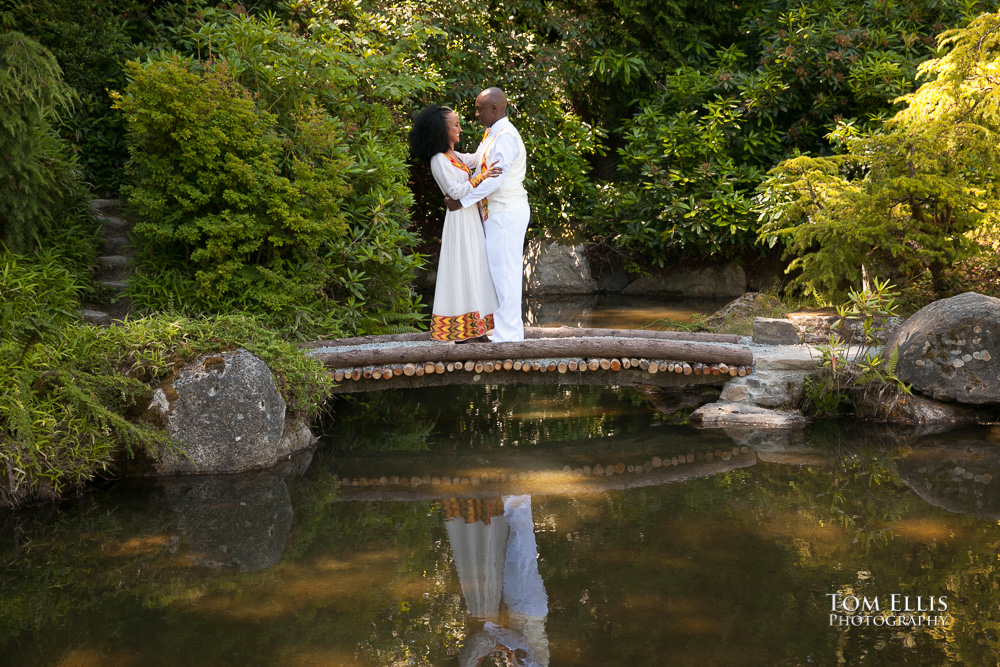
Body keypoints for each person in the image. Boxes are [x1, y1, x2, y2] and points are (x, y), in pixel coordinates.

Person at [409, 105, 501, 342]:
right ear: (442, 130)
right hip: (459, 220)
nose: (460, 129)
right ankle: (461, 330)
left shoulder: (455, 156)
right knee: (463, 269)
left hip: (470, 217)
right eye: (455, 125)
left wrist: (490, 135)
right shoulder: (438, 160)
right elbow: (455, 191)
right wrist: (481, 177)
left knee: (476, 266)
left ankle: (478, 327)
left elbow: (476, 158)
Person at [445, 87, 530, 343]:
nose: (475, 114)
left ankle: (510, 337)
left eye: (479, 109)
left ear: (495, 109)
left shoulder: (504, 136)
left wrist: (461, 201)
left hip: (507, 212)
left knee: (506, 272)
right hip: (497, 214)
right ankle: (505, 332)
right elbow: (477, 160)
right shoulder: (493, 134)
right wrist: (447, 155)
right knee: (499, 273)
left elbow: (496, 179)